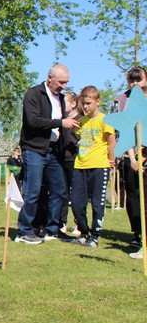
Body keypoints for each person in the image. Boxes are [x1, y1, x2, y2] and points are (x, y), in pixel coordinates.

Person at [14, 64, 79, 244]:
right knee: (32, 191)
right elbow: (33, 121)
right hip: (34, 149)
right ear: (50, 77)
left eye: (66, 83)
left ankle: (52, 229)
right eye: (61, 82)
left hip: (53, 151)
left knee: (60, 190)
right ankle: (24, 231)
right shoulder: (33, 94)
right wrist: (60, 122)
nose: (64, 86)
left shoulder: (61, 99)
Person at [69, 86, 116, 248]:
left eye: (89, 103)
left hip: (99, 166)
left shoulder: (105, 120)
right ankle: (84, 232)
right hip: (80, 165)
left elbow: (111, 143)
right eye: (83, 104)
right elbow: (73, 128)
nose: (86, 107)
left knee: (97, 203)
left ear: (98, 102)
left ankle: (94, 236)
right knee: (76, 202)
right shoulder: (81, 121)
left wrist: (111, 161)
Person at [111, 66, 147, 259]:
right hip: (128, 156)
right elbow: (121, 129)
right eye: (131, 80)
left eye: (138, 80)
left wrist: (143, 158)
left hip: (145, 156)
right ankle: (138, 233)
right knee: (132, 197)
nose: (135, 84)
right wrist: (132, 159)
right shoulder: (121, 99)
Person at [60, 91, 81, 237]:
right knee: (62, 193)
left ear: (73, 104)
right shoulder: (61, 120)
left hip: (76, 161)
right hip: (61, 160)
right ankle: (62, 223)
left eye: (65, 101)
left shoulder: (81, 120)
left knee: (78, 194)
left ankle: (79, 224)